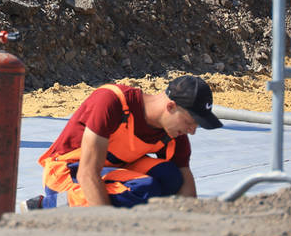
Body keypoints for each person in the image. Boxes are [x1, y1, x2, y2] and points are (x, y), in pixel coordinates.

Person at [20, 75, 222, 210]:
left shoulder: (173, 131)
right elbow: (87, 173)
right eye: (190, 122)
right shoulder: (112, 102)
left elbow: (186, 186)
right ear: (171, 106)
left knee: (171, 177)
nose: (192, 131)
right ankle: (48, 206)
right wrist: (111, 227)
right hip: (68, 171)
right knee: (144, 188)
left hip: (114, 171)